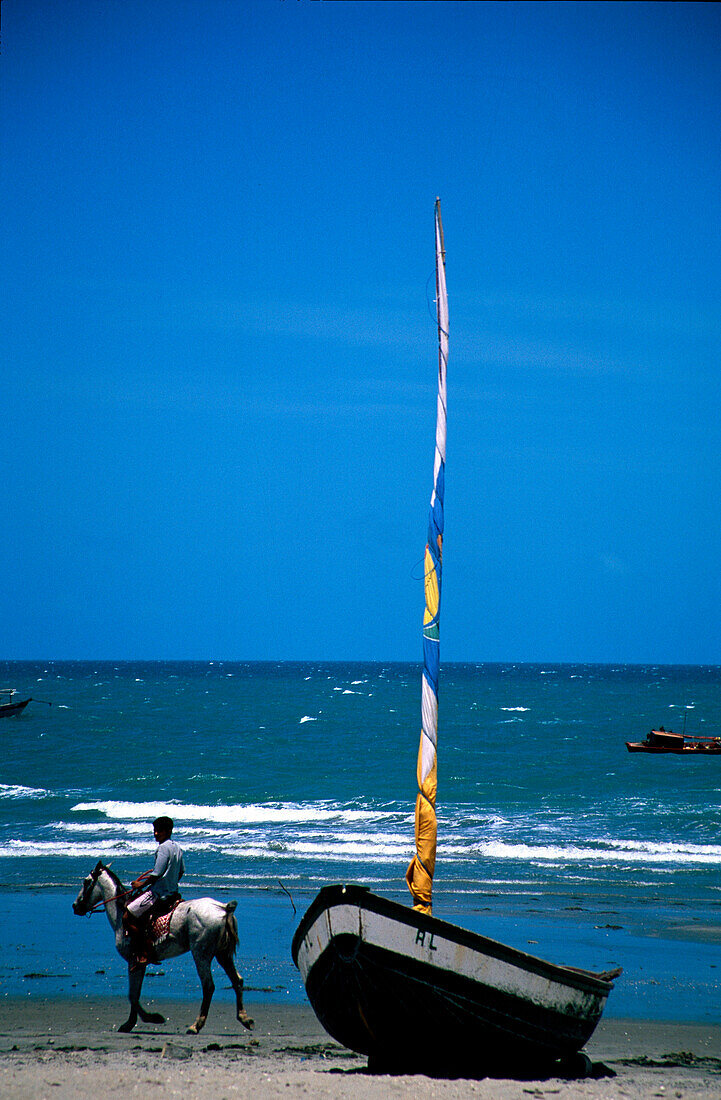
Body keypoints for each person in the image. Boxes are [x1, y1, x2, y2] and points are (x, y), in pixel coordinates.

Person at [123, 816, 185, 965]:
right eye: (155, 831)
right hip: (173, 892)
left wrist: (141, 885)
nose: (156, 834)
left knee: (127, 917)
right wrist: (170, 882)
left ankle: (145, 952)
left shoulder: (163, 848)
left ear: (168, 831)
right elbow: (181, 872)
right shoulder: (177, 848)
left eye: (159, 831)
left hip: (158, 894)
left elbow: (156, 874)